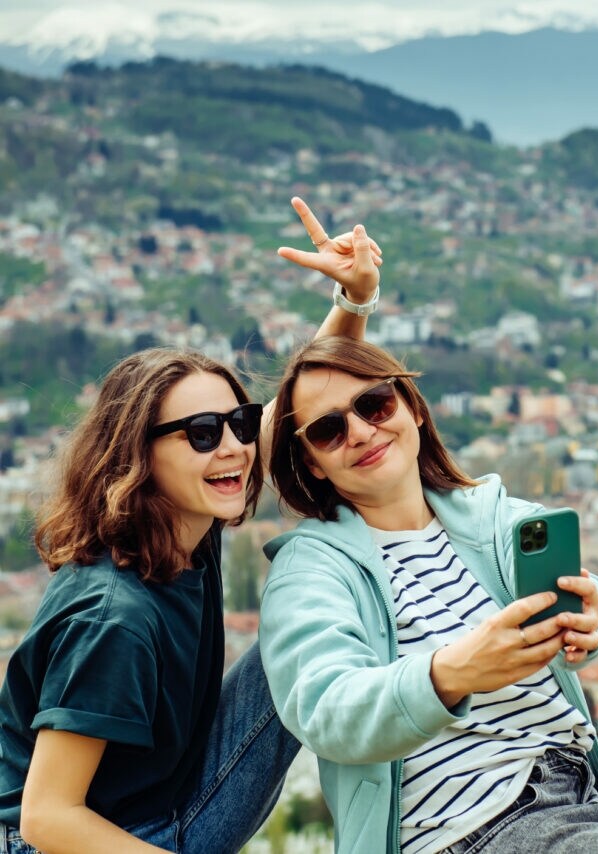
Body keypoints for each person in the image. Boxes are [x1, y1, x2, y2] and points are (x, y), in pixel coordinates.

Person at [0, 198, 382, 854]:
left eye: (236, 423)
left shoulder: (180, 516)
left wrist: (355, 299)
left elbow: (288, 416)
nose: (233, 448)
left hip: (161, 799)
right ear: (139, 458)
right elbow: (46, 817)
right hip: (81, 841)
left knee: (314, 623)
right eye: (204, 434)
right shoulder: (114, 619)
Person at [259, 335, 598, 854]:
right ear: (313, 463)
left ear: (412, 409)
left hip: (581, 792)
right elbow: (324, 707)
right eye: (329, 430)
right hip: (470, 824)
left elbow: (585, 589)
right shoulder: (310, 568)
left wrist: (593, 615)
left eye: (374, 404)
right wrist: (451, 673)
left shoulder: (489, 515)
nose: (360, 432)